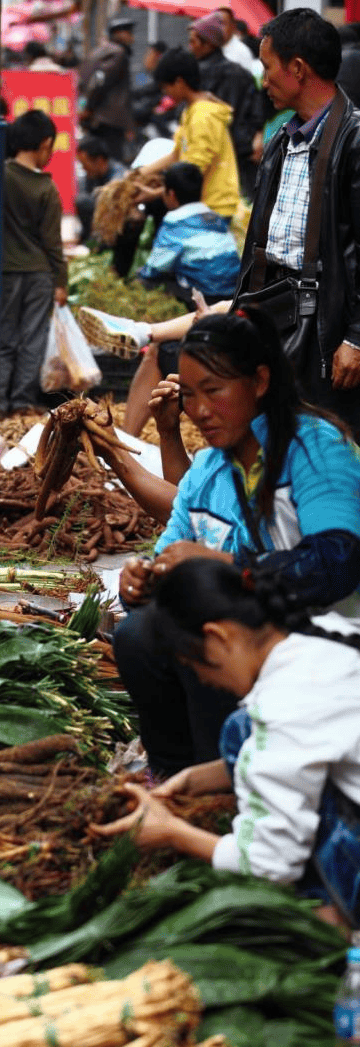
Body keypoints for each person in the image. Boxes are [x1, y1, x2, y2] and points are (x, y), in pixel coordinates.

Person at [112, 308, 360, 781]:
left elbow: (337, 565)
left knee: (216, 631)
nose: (199, 410)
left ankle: (224, 782)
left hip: (329, 645)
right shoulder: (206, 472)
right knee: (140, 633)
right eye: (188, 395)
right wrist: (141, 581)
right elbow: (170, 556)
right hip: (249, 641)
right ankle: (176, 776)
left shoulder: (315, 448)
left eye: (213, 390)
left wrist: (228, 565)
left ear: (259, 382)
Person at [95, 555, 360, 928]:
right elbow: (316, 744)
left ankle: (333, 912)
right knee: (240, 729)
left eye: (195, 664)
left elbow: (270, 864)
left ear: (217, 637)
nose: (204, 680)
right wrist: (199, 778)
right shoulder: (323, 633)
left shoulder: (285, 705)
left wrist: (174, 833)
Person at [233, 8, 360, 436]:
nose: (263, 79)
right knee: (272, 443)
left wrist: (356, 338)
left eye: (268, 68)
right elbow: (261, 243)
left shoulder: (354, 140)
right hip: (276, 314)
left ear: (298, 69)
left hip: (328, 328)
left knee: (326, 446)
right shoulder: (282, 140)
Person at [0, 109, 68, 415]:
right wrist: (61, 281)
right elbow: (53, 243)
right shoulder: (45, 188)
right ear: (45, 144)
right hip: (38, 275)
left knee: (3, 340)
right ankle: (22, 403)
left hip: (3, 272)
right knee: (32, 341)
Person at [136, 47, 240, 222]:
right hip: (200, 204)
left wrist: (155, 193)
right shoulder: (191, 111)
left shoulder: (203, 116)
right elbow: (177, 155)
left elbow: (192, 174)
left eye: (165, 87)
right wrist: (139, 174)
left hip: (214, 208)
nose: (164, 93)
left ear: (179, 82)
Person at [137, 161, 241, 303]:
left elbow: (155, 267)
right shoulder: (214, 216)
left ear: (171, 194)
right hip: (234, 290)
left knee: (149, 281)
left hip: (208, 295)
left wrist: (139, 277)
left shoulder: (175, 221)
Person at [188, 13, 265, 197]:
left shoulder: (196, 73)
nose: (190, 47)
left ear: (208, 43)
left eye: (193, 42)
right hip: (242, 148)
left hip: (213, 149)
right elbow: (258, 111)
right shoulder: (240, 72)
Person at [80, 15, 136, 163]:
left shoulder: (100, 51)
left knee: (98, 159)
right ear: (118, 33)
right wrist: (89, 107)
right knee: (111, 161)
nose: (133, 38)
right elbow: (100, 80)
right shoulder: (118, 53)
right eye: (129, 33)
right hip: (109, 118)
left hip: (99, 117)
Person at [74, 135, 125, 243]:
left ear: (99, 160)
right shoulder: (90, 177)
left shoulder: (119, 176)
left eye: (84, 164)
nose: (83, 168)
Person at [218, 6, 261, 76]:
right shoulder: (209, 48)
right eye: (217, 23)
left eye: (224, 23)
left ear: (232, 26)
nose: (219, 27)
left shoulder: (242, 51)